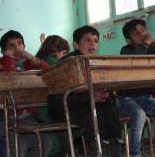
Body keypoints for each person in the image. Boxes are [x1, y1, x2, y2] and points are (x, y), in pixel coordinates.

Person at [47, 26, 121, 157]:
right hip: (64, 109)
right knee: (96, 111)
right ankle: (97, 149)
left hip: (85, 106)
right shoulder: (68, 63)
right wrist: (91, 97)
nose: (93, 44)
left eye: (96, 40)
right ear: (76, 45)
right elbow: (62, 97)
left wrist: (107, 93)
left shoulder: (94, 62)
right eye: (88, 40)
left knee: (109, 105)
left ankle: (111, 146)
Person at [118, 19, 155, 157]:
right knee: (139, 115)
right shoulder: (126, 50)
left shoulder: (152, 48)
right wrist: (145, 44)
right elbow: (135, 62)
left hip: (146, 97)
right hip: (127, 98)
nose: (141, 34)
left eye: (143, 30)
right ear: (129, 40)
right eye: (136, 33)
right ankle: (135, 154)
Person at [0, 30, 52, 157]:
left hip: (29, 118)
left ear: (24, 47)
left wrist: (31, 57)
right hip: (8, 121)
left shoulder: (29, 63)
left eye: (19, 44)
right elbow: (11, 79)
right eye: (11, 46)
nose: (17, 48)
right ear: (3, 51)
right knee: (20, 148)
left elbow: (50, 72)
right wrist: (8, 58)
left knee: (46, 144)